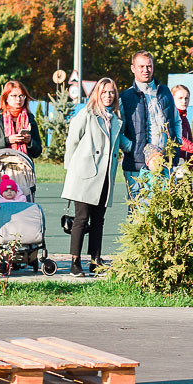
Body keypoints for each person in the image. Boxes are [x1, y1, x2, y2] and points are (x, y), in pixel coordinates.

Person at [62, 77, 132, 277]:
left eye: (111, 92)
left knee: (99, 220)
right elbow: (72, 141)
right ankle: (75, 262)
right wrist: (72, 169)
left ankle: (95, 260)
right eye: (104, 92)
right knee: (81, 219)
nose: (108, 96)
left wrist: (135, 148)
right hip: (84, 174)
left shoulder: (116, 119)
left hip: (105, 177)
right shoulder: (87, 114)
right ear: (96, 94)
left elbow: (120, 142)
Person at [120, 51, 179, 197]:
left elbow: (176, 121)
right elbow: (118, 131)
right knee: (138, 210)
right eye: (141, 66)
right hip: (137, 164)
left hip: (166, 162)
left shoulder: (165, 92)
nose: (145, 70)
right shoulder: (125, 97)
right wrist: (131, 148)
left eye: (149, 66)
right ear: (133, 68)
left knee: (166, 209)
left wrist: (175, 143)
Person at [0, 80, 43, 158]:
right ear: (6, 98)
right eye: (14, 96)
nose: (18, 99)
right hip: (1, 166)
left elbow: (37, 152)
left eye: (21, 96)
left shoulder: (30, 119)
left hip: (23, 166)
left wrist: (29, 142)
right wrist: (7, 140)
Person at [170, 84, 193, 160]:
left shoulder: (184, 118)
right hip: (173, 164)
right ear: (172, 98)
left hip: (185, 165)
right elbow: (179, 141)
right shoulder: (170, 117)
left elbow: (189, 145)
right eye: (180, 98)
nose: (184, 101)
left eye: (186, 98)